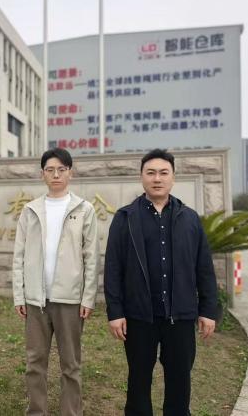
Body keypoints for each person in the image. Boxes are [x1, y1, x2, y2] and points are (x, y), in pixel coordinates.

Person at [104, 148, 217, 416]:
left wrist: (208, 310)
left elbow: (204, 267)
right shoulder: (125, 218)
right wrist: (115, 312)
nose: (157, 178)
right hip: (139, 316)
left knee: (180, 380)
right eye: (151, 173)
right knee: (138, 379)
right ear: (141, 177)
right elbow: (113, 267)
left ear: (173, 177)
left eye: (163, 173)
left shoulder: (190, 218)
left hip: (181, 316)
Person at [12, 147, 99, 416]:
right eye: (50, 170)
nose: (56, 174)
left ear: (70, 173)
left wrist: (88, 298)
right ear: (43, 174)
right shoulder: (30, 210)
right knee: (34, 363)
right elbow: (18, 256)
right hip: (35, 300)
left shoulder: (84, 209)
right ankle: (36, 411)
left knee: (70, 364)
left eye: (61, 169)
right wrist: (19, 295)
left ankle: (71, 412)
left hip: (69, 300)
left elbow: (91, 257)